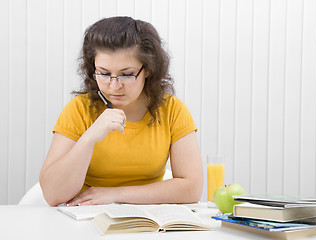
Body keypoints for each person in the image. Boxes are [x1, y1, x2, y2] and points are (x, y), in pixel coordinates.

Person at [39, 16, 203, 207]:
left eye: (126, 74)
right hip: (85, 217)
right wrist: (90, 137)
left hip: (146, 220)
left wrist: (114, 194)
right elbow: (52, 194)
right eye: (104, 73)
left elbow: (191, 188)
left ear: (148, 69)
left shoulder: (173, 110)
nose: (114, 86)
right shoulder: (79, 109)